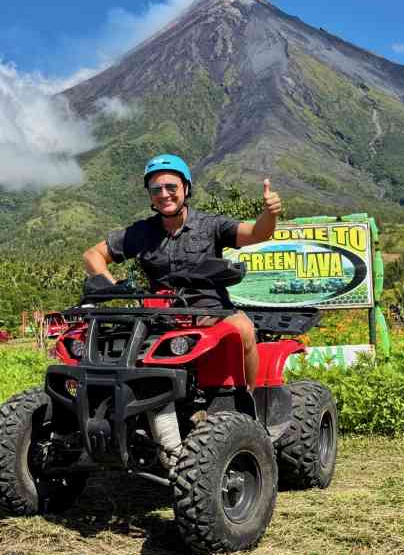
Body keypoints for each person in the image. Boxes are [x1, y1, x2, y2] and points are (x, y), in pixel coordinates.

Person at [82, 153, 282, 391]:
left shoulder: (211, 225)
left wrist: (270, 214)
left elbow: (258, 233)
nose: (164, 194)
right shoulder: (141, 232)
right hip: (159, 316)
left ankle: (250, 398)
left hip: (210, 311)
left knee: (244, 329)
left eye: (171, 187)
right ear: (150, 195)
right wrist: (112, 284)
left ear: (186, 188)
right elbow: (92, 255)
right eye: (156, 189)